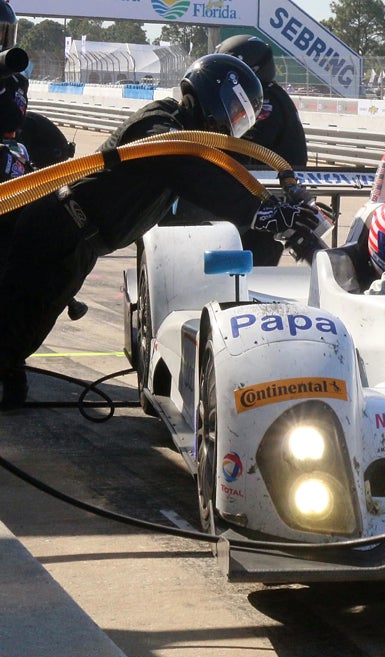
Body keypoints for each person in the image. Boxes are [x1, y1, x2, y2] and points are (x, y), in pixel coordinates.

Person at [0, 54, 322, 411]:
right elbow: (188, 168)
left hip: (76, 241)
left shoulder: (185, 141)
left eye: (239, 118)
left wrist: (271, 211)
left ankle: (9, 375)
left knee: (24, 324)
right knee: (18, 323)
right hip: (59, 230)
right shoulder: (162, 124)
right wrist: (260, 212)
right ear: (210, 94)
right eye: (233, 110)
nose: (233, 124)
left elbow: (204, 186)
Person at [214, 34, 309, 266]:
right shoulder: (272, 94)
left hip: (262, 201)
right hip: (264, 198)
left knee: (242, 276)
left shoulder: (265, 100)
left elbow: (244, 145)